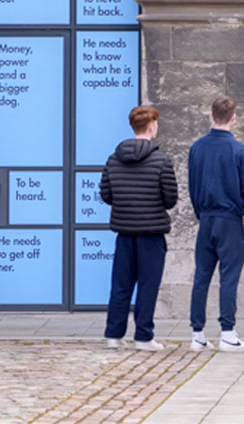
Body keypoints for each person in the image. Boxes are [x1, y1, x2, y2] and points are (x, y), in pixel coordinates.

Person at [100, 104, 178, 350]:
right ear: (152, 126)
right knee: (148, 284)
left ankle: (114, 334)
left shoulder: (114, 158)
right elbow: (170, 199)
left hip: (124, 230)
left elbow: (106, 194)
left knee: (121, 284)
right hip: (152, 233)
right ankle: (143, 336)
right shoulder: (161, 160)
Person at [187, 96, 244, 353]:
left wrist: (200, 213)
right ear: (233, 117)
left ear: (210, 115)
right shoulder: (238, 150)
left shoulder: (197, 147)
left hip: (206, 218)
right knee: (229, 276)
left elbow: (192, 185)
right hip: (229, 220)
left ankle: (197, 333)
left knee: (201, 277)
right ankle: (227, 331)